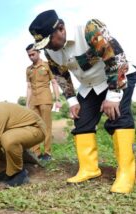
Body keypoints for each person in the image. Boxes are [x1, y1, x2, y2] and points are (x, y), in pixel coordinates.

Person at [29, 10, 136, 193]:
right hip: (90, 85)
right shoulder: (50, 50)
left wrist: (113, 95)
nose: (48, 47)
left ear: (61, 28)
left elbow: (116, 59)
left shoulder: (89, 28)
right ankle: (89, 168)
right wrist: (71, 100)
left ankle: (127, 172)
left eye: (49, 41)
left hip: (116, 76)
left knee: (118, 118)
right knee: (82, 121)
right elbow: (60, 74)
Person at [26, 43, 61, 160]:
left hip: (45, 99)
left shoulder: (47, 65)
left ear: (38, 52)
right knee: (34, 127)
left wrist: (58, 99)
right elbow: (29, 87)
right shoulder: (28, 69)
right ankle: (36, 153)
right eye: (29, 55)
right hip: (33, 101)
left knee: (46, 126)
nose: (31, 57)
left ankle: (47, 152)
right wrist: (27, 104)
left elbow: (54, 83)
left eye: (33, 54)